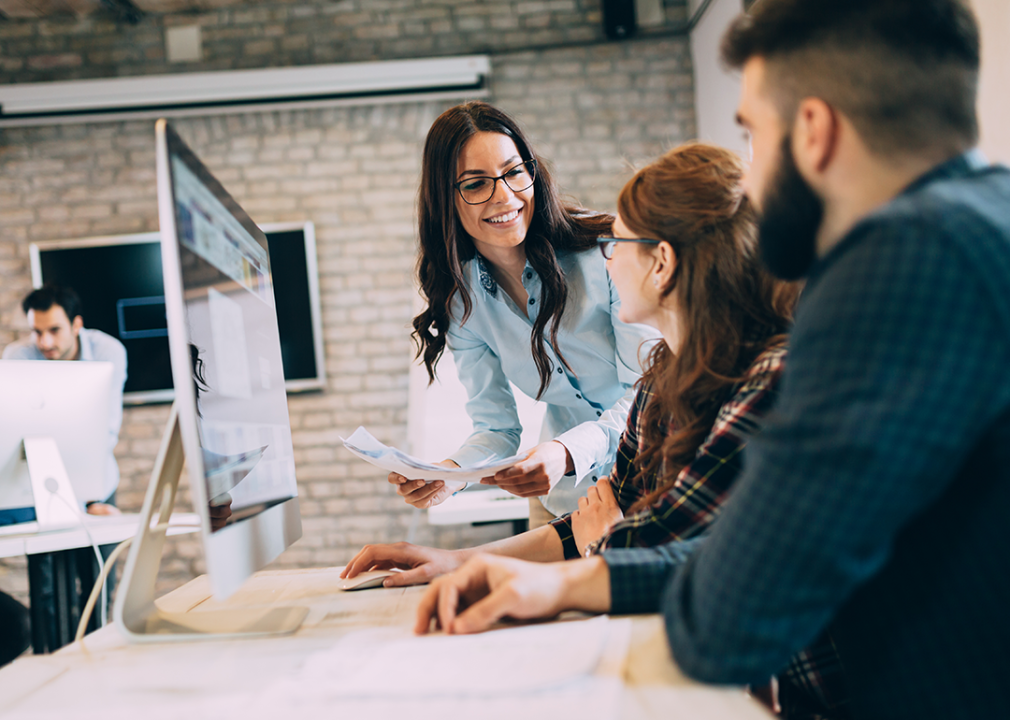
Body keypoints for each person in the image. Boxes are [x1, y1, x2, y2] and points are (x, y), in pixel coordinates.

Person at [415, 2, 1010, 719]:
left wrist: (602, 551)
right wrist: (566, 573)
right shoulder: (983, 227)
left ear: (814, 132)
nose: (747, 188)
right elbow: (750, 556)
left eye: (753, 135)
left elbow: (730, 609)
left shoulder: (895, 271)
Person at [343, 143, 797, 585]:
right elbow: (613, 526)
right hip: (575, 506)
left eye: (619, 241)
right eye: (477, 183)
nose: (608, 254)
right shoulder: (659, 384)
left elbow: (667, 562)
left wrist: (597, 545)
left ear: (661, 263)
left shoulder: (758, 389)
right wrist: (452, 539)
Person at [395, 101, 658, 525]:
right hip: (564, 502)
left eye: (515, 172)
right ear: (446, 199)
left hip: (655, 480)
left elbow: (648, 394)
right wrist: (452, 474)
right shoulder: (463, 303)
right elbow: (497, 429)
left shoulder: (606, 253)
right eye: (476, 184)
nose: (505, 197)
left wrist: (567, 452)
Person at [3, 283, 127, 513]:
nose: (44, 343)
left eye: (54, 330)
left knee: (105, 547)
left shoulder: (108, 352)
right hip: (36, 488)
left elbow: (106, 431)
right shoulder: (17, 357)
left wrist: (87, 501)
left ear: (76, 324)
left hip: (94, 483)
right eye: (37, 332)